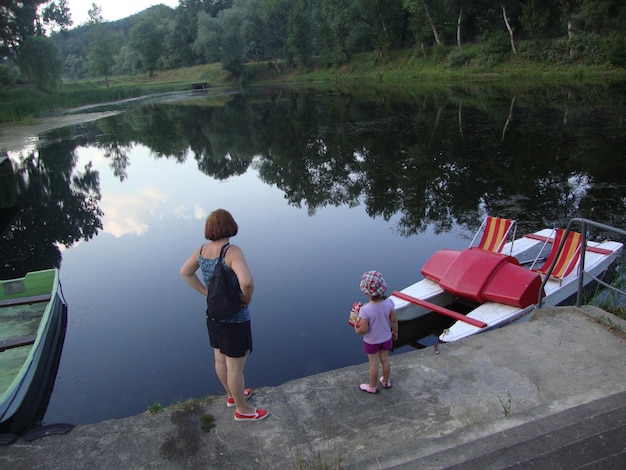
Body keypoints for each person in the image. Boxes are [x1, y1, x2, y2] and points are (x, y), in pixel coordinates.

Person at [180, 209, 268, 421]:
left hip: (214, 315)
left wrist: (206, 292)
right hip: (235, 318)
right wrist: (245, 298)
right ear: (231, 226)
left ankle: (232, 396)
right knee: (235, 367)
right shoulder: (232, 251)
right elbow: (246, 282)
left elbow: (185, 272)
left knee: (220, 360)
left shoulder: (201, 250)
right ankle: (243, 410)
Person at [353, 270, 398, 394]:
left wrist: (356, 329)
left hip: (372, 341)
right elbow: (394, 320)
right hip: (386, 338)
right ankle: (386, 381)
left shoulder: (365, 310)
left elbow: (363, 329)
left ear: (367, 293)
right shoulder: (389, 303)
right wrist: (395, 332)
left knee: (374, 364)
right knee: (385, 360)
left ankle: (372, 386)